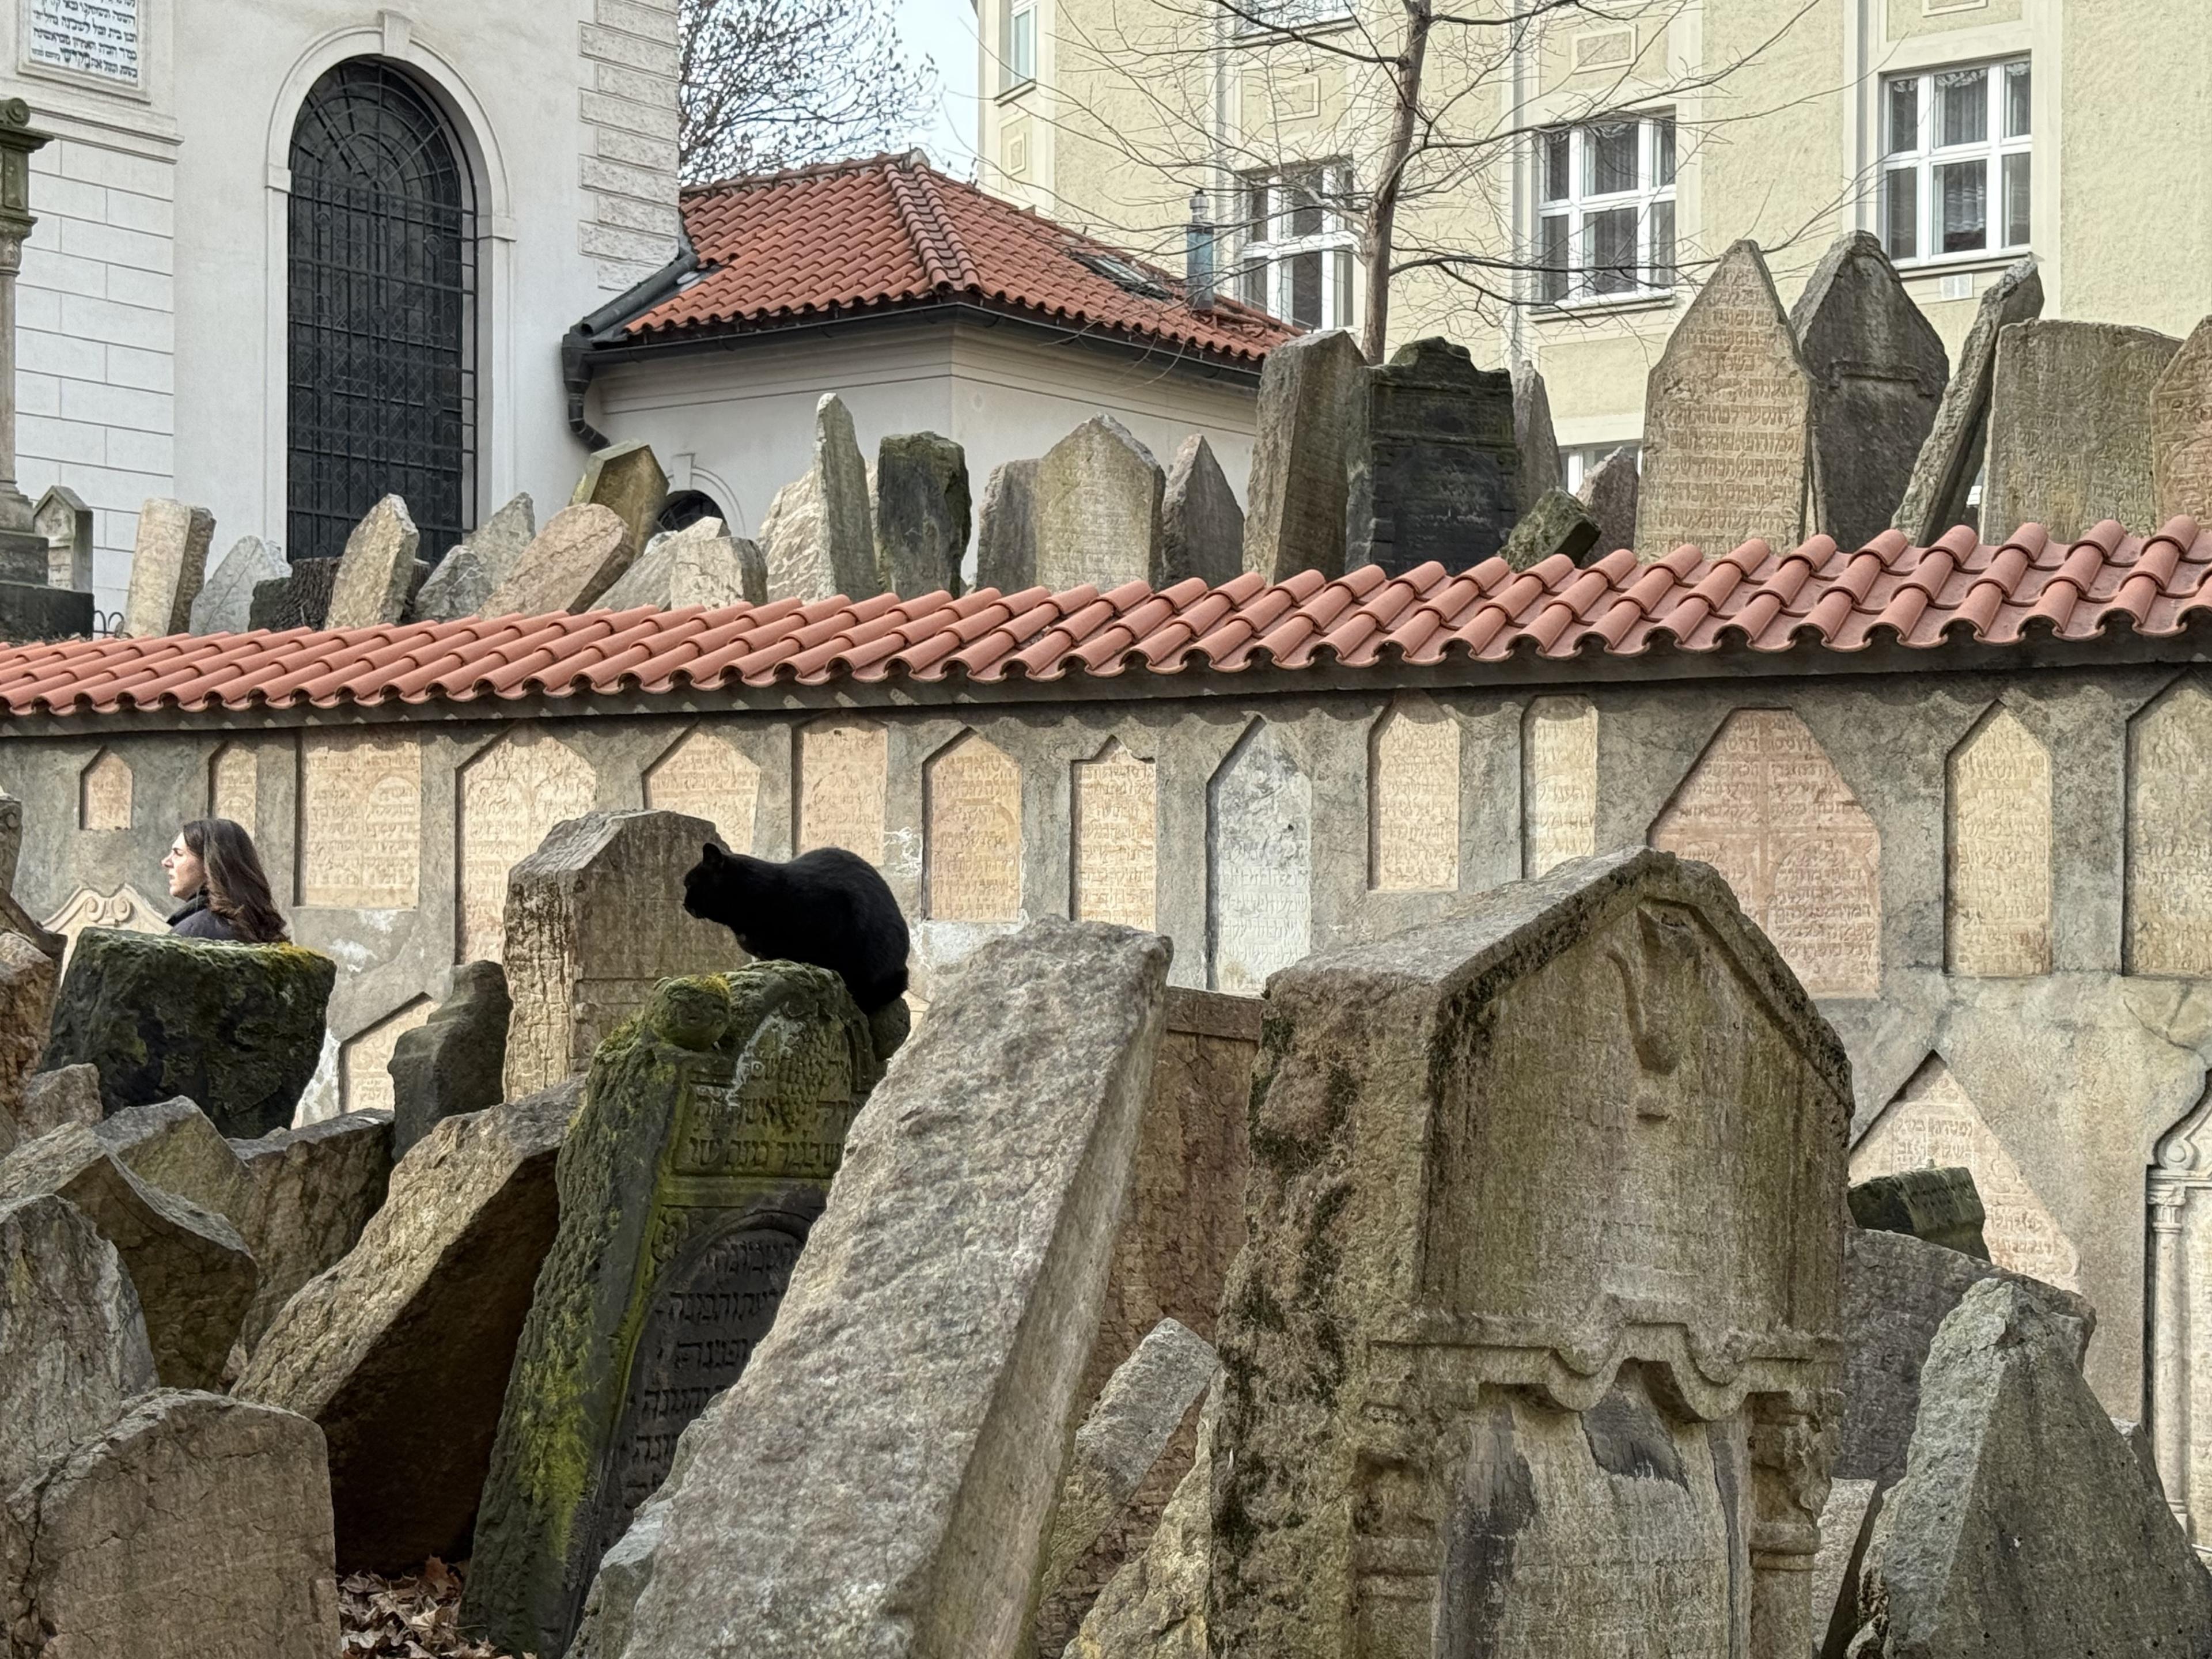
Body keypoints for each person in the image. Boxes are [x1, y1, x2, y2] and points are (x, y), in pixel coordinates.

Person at [161, 817, 289, 944]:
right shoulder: (260, 929)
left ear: (210, 864)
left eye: (178, 853)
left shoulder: (192, 934)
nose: (166, 862)